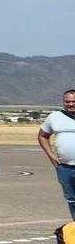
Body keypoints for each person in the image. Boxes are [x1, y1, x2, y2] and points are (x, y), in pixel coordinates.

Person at [38, 90, 75, 220]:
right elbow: (43, 136)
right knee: (72, 200)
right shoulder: (55, 117)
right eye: (67, 101)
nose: (70, 104)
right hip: (64, 167)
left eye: (73, 101)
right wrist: (51, 155)